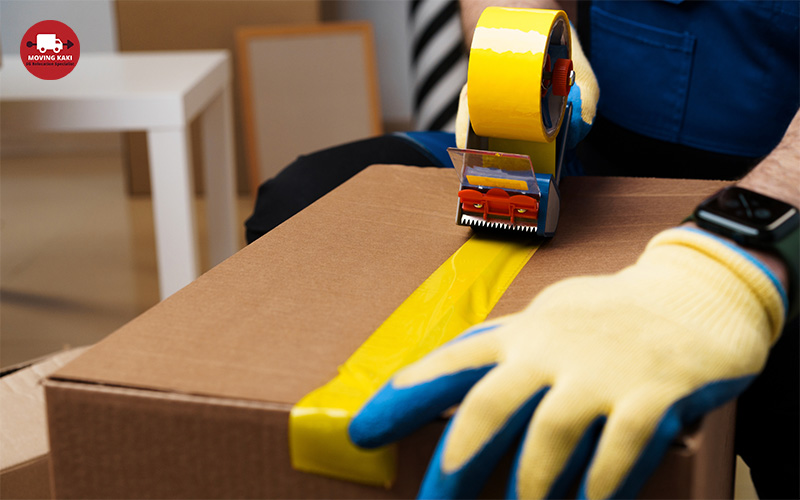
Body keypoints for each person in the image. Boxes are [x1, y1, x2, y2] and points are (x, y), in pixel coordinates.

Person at [247, 1, 799, 498]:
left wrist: (734, 260)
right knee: (306, 199)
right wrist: (521, 46)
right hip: (582, 156)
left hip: (779, 185)